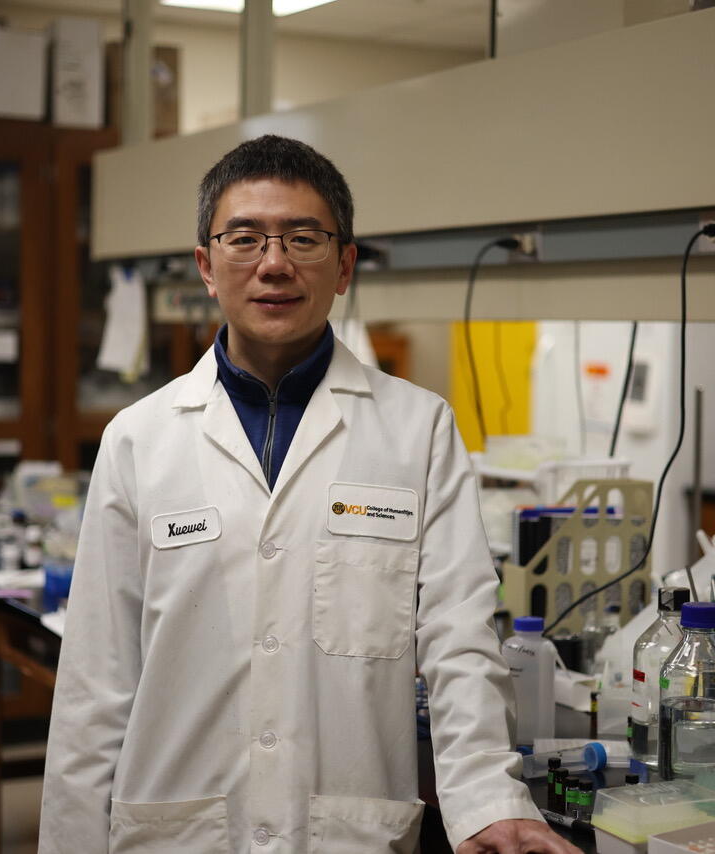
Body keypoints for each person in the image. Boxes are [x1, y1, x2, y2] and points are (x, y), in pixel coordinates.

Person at [39, 135, 578, 854]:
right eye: (244, 238)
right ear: (206, 264)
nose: (273, 263)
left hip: (346, 832)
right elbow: (94, 683)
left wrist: (486, 796)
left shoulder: (418, 430)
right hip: (178, 832)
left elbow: (459, 636)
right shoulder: (138, 439)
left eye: (303, 238)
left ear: (345, 264)